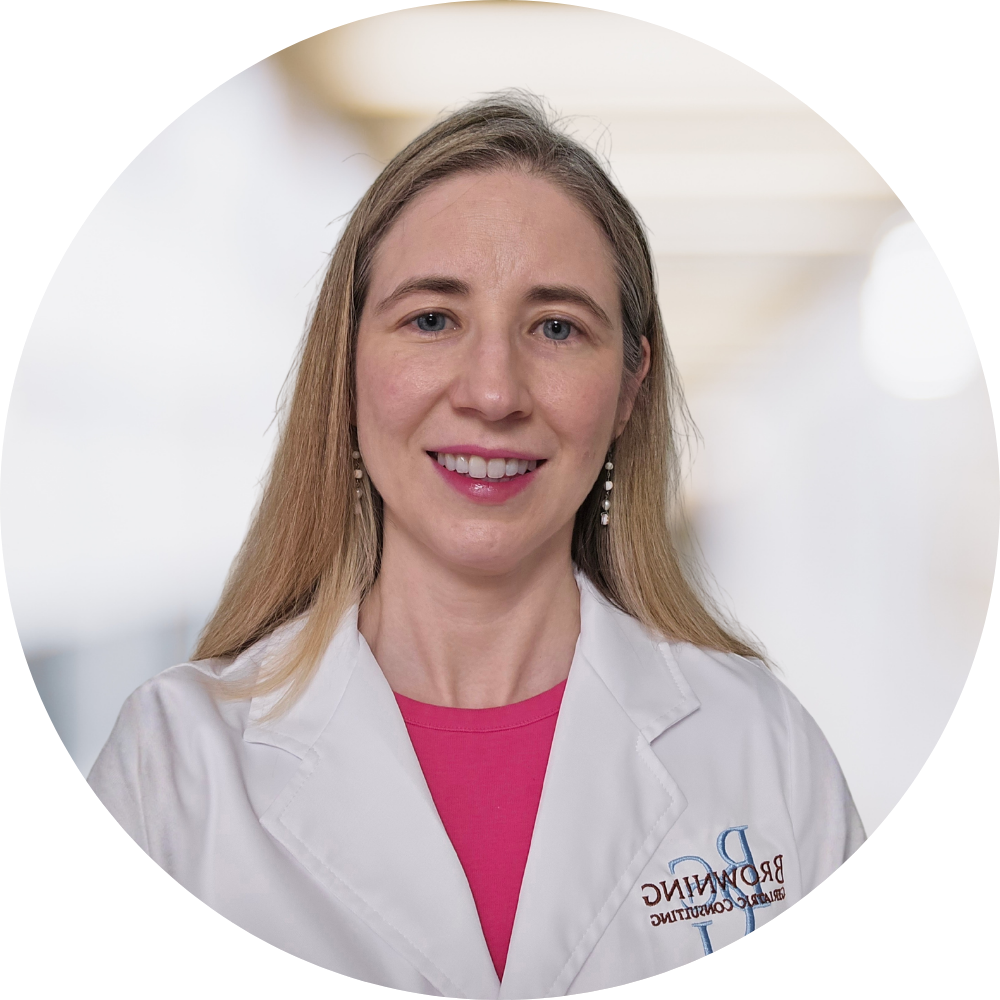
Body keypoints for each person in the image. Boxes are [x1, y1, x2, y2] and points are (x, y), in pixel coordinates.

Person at [89, 93, 864, 998]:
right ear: (346, 364)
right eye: (432, 320)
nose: (493, 392)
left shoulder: (762, 751)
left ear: (628, 389)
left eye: (557, 328)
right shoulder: (176, 768)